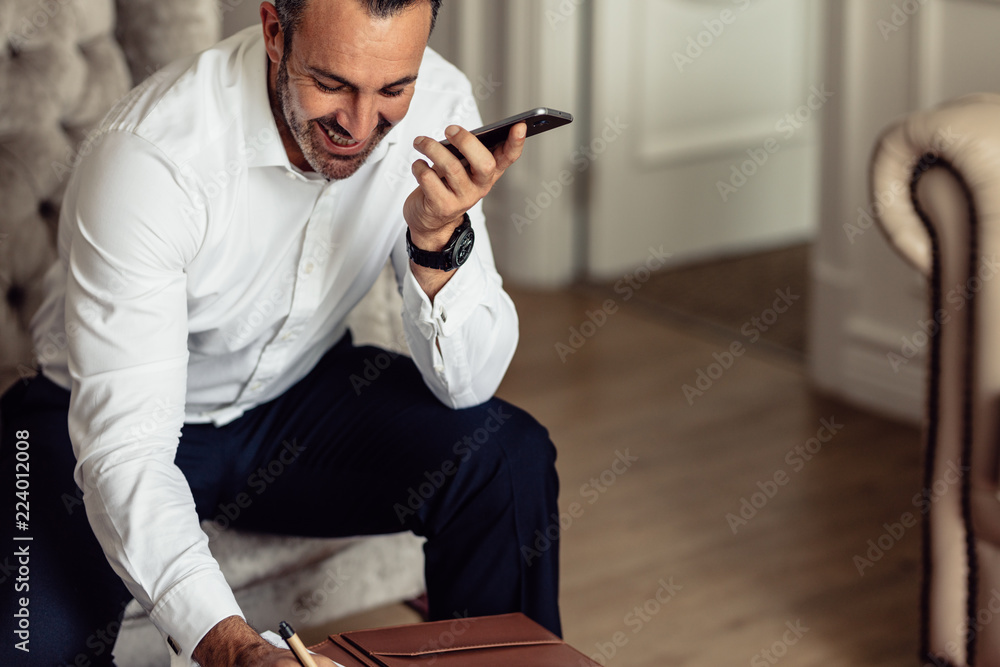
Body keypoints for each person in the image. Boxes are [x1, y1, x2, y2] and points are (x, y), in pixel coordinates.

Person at [0, 0, 561, 665]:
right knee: (28, 646)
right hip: (87, 421)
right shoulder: (150, 157)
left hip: (293, 399)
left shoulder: (443, 102)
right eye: (332, 84)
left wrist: (439, 243)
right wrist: (237, 648)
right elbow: (128, 453)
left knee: (505, 457)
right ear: (274, 31)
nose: (359, 125)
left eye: (392, 89)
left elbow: (468, 386)